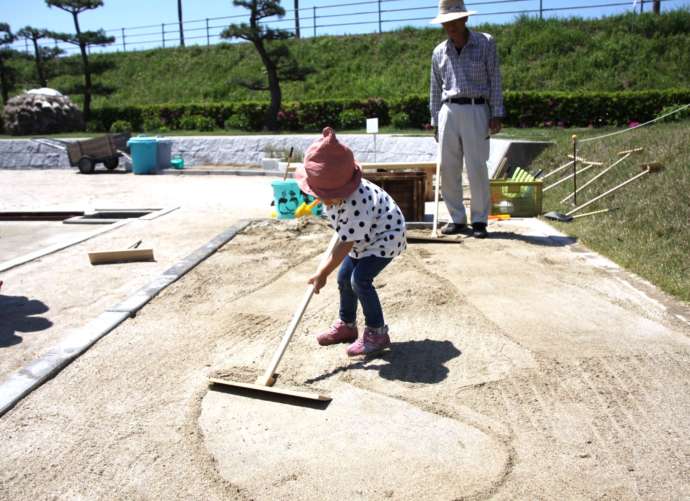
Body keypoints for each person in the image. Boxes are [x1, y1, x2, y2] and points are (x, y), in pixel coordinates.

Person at [294, 127, 407, 357]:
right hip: (363, 237)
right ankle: (347, 325)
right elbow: (344, 234)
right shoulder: (336, 197)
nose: (318, 198)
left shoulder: (357, 203)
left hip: (385, 238)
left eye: (322, 194)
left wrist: (322, 272)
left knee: (360, 280)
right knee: (344, 277)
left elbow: (346, 243)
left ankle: (377, 333)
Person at [429, 0, 505, 238]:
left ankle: (480, 220)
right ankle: (456, 218)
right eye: (445, 22)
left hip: (476, 108)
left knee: (477, 166)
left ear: (465, 19)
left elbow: (495, 79)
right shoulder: (439, 51)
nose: (450, 26)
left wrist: (496, 113)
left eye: (454, 20)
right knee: (449, 167)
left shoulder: (485, 43)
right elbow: (434, 88)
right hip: (448, 110)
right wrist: (434, 120)